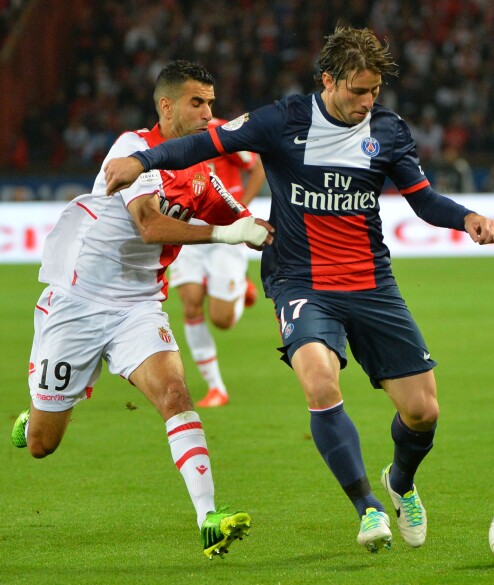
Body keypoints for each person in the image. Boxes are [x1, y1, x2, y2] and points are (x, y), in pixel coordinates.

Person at [104, 27, 494, 554]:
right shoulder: (282, 119)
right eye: (357, 91)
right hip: (300, 279)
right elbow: (205, 143)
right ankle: (368, 509)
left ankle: (399, 484)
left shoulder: (389, 130)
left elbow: (423, 200)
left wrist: (466, 216)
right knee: (319, 381)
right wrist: (142, 160)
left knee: (423, 411)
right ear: (328, 80)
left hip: (371, 282)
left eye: (373, 92)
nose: (367, 102)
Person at [10, 60, 274, 560]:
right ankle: (35, 407)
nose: (208, 114)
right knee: (44, 443)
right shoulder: (133, 150)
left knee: (176, 393)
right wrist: (225, 234)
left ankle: (208, 518)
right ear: (167, 106)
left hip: (138, 306)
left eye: (212, 104)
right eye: (198, 103)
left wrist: (265, 231)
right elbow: (149, 226)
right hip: (79, 301)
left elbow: (243, 219)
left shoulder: (201, 173)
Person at [170, 118, 266, 408]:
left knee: (222, 320)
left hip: (226, 233)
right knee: (190, 305)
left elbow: (257, 167)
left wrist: (240, 212)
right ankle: (216, 388)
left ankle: (242, 288)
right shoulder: (171, 134)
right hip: (188, 231)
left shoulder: (224, 132)